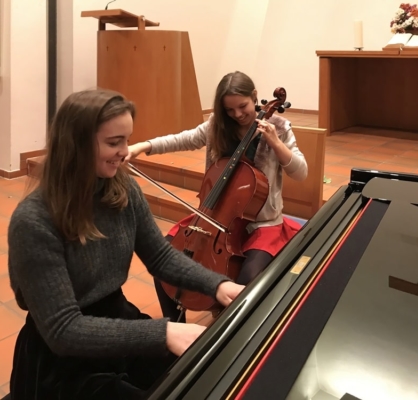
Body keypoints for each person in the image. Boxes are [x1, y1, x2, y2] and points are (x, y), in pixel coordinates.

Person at [7, 89, 244, 400]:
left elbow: (160, 256)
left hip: (116, 318)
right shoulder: (34, 221)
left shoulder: (124, 189)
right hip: (62, 359)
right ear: (76, 144)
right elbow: (63, 330)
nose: (125, 151)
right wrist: (164, 332)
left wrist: (218, 286)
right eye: (113, 142)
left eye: (127, 139)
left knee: (199, 375)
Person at [126, 71, 308, 321]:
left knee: (247, 284)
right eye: (229, 110)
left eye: (242, 106)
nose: (237, 115)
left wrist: (276, 143)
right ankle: (173, 329)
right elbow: (183, 139)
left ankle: (230, 336)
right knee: (163, 269)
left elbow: (301, 172)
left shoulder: (278, 127)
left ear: (254, 96)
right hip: (215, 218)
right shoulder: (217, 125)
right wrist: (141, 147)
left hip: (261, 224)